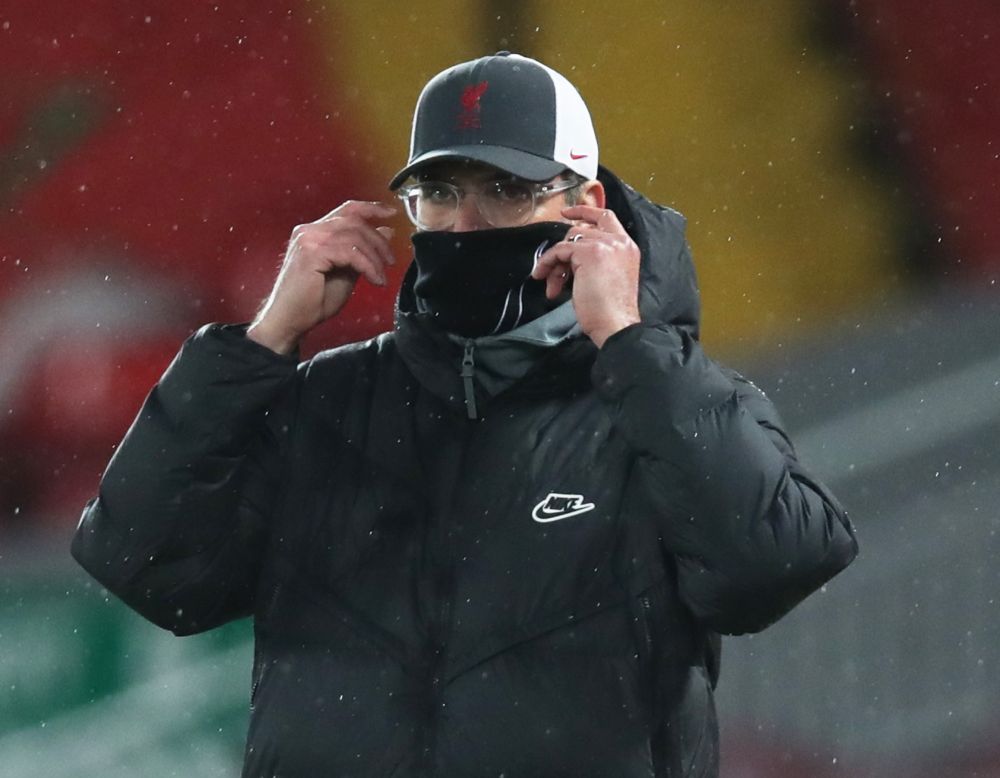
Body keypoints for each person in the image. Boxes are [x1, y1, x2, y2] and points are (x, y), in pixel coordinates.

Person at [72, 52, 858, 777]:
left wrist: (628, 340)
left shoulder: (658, 397)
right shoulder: (329, 401)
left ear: (586, 206)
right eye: (441, 193)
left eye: (507, 190)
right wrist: (262, 340)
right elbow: (146, 564)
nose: (466, 225)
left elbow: (773, 566)